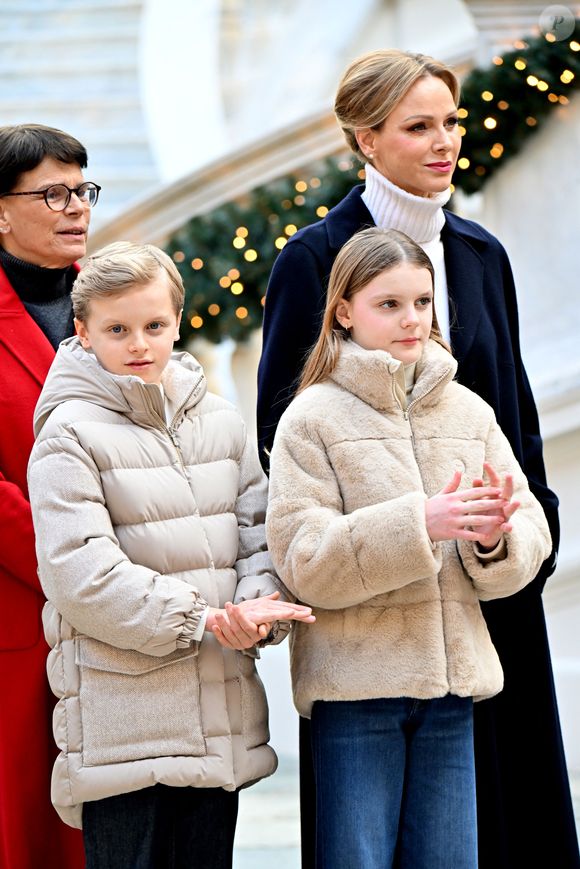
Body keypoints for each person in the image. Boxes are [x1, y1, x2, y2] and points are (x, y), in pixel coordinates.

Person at [257, 50, 579, 868]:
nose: (445, 142)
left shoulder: (480, 253)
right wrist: (401, 530)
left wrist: (522, 532)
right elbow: (283, 429)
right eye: (419, 126)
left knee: (495, 815)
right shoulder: (311, 257)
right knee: (366, 839)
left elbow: (517, 416)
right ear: (366, 138)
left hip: (489, 569)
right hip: (373, 609)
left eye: (452, 122)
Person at [266, 227, 552, 868]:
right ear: (344, 310)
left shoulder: (468, 412)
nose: (411, 319)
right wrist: (419, 522)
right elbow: (303, 560)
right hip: (356, 692)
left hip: (451, 690)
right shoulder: (311, 417)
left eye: (422, 302)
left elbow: (531, 529)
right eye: (388, 304)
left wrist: (493, 540)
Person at [26, 241, 316, 869]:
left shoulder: (221, 421)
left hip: (220, 715)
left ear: (177, 321)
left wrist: (252, 609)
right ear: (82, 331)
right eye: (117, 329)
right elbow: (80, 573)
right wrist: (203, 620)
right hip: (124, 724)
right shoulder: (67, 434)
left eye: (154, 326)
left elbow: (258, 533)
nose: (139, 344)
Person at [0, 123, 100, 869]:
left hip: (123, 611)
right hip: (22, 609)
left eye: (83, 190)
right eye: (53, 193)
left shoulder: (118, 303)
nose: (76, 209)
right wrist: (74, 554)